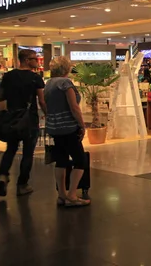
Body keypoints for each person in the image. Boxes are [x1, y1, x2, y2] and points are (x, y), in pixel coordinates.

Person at [0, 49, 47, 197]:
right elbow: (42, 101)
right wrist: (47, 115)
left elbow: (1, 97)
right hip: (29, 119)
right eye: (34, 59)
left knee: (11, 149)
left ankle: (2, 176)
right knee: (27, 153)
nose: (36, 62)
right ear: (26, 60)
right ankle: (22, 185)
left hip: (12, 118)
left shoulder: (8, 76)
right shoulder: (35, 78)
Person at [44, 56, 90, 207]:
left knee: (61, 159)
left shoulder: (49, 84)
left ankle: (61, 194)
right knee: (80, 159)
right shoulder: (65, 83)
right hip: (68, 127)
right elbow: (74, 107)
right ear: (66, 68)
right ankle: (72, 195)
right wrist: (82, 125)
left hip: (55, 127)